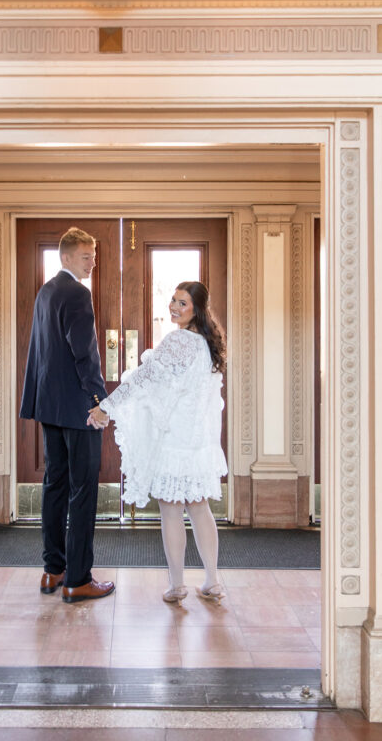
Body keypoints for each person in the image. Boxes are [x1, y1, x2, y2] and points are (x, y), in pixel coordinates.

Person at [88, 281, 227, 604]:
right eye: (173, 301)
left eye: (183, 303)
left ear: (197, 309)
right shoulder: (208, 345)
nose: (175, 307)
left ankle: (177, 584)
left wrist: (105, 407)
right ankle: (212, 581)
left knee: (171, 510)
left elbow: (142, 379)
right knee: (200, 508)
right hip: (198, 441)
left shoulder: (179, 341)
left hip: (175, 440)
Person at [20, 227, 115, 604]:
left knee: (55, 485)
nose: (92, 261)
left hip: (50, 405)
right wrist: (99, 400)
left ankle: (52, 570)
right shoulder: (77, 293)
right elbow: (84, 353)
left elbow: (42, 353)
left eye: (94, 255)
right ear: (66, 258)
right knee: (82, 490)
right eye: (86, 256)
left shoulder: (46, 291)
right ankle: (78, 579)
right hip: (79, 408)